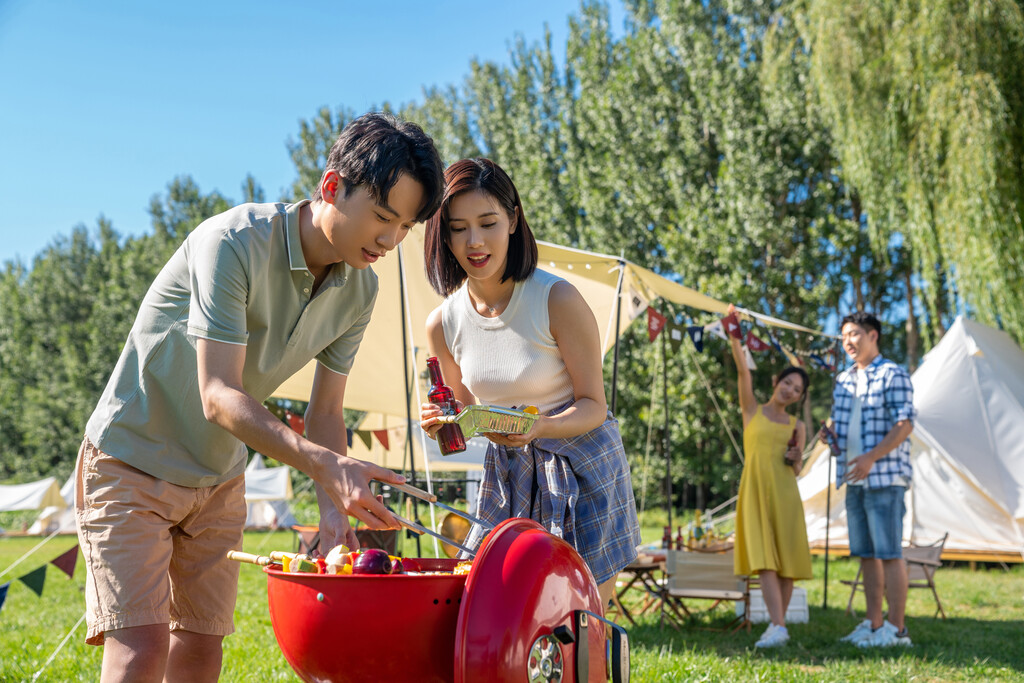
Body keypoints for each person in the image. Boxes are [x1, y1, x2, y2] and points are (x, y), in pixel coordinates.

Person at [76, 112, 444, 682]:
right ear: (330, 187)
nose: (390, 241)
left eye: (405, 228)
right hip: (131, 459)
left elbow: (325, 413)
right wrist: (327, 466)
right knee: (142, 648)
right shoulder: (232, 242)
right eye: (382, 217)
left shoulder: (360, 289)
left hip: (218, 479)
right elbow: (218, 395)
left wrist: (333, 514)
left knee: (200, 649)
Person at [419, 158, 641, 607]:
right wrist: (442, 424)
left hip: (582, 461)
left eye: (488, 223)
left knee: (581, 616)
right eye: (459, 227)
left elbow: (594, 405)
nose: (475, 241)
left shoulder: (556, 298)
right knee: (507, 612)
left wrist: (538, 427)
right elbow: (464, 422)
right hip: (509, 472)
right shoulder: (443, 323)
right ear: (442, 234)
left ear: (514, 220)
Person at [826, 311, 916, 647]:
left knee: (889, 552)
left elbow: (905, 424)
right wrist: (829, 435)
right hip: (853, 478)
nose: (848, 341)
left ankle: (897, 630)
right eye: (844, 336)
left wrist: (870, 458)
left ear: (872, 335)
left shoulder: (893, 374)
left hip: (885, 478)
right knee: (866, 553)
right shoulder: (843, 380)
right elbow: (842, 427)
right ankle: (873, 624)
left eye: (854, 334)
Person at [726, 304, 813, 648]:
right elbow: (743, 371)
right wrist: (735, 332)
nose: (790, 390)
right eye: (787, 382)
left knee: (787, 562)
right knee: (765, 561)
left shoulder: (798, 426)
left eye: (797, 390)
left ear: (800, 398)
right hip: (755, 490)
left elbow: (798, 467)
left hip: (785, 493)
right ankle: (778, 626)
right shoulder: (752, 410)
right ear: (777, 382)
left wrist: (795, 458)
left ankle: (778, 627)